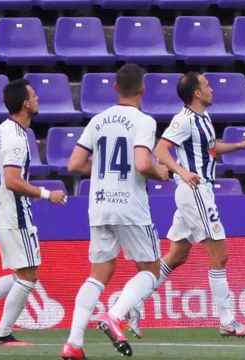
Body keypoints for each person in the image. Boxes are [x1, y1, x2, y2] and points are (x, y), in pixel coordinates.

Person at [129, 71, 245, 338]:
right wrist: (181, 172)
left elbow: (211, 148)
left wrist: (240, 145)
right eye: (207, 85)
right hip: (196, 190)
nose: (211, 89)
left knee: (176, 256)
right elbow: (161, 151)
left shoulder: (204, 118)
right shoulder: (184, 120)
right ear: (197, 94)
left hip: (197, 190)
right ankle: (227, 320)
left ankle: (132, 303)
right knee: (219, 256)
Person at [61, 64, 169, 360]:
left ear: (115, 89)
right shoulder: (143, 121)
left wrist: (101, 172)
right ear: (143, 89)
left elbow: (74, 164)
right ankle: (116, 315)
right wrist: (161, 173)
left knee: (99, 274)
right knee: (151, 270)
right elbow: (143, 164)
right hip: (130, 206)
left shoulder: (98, 120)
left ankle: (73, 342)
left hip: (98, 203)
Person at [0, 79, 67, 346]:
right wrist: (47, 194)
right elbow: (11, 180)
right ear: (24, 104)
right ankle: (3, 333)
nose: (38, 98)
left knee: (21, 275)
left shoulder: (1, 131)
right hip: (16, 215)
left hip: (3, 212)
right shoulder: (17, 138)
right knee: (29, 275)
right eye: (33, 95)